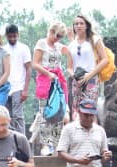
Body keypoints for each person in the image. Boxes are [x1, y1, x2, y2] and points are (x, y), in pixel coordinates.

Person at [31, 22, 72, 155]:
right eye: (57, 35)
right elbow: (35, 64)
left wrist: (72, 38)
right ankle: (45, 145)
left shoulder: (59, 46)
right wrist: (48, 73)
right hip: (45, 80)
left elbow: (72, 51)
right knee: (46, 113)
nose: (58, 38)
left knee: (59, 113)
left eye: (60, 36)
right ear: (51, 31)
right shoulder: (41, 43)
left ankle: (55, 145)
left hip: (57, 82)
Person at [67, 14, 109, 122]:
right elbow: (69, 67)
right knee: (76, 109)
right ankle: (78, 135)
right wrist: (74, 77)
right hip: (77, 80)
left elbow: (105, 59)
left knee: (90, 109)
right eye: (76, 24)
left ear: (86, 26)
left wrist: (89, 75)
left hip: (91, 78)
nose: (78, 26)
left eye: (81, 23)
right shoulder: (71, 45)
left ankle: (93, 136)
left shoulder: (94, 40)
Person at [4, 24, 32, 135]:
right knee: (7, 117)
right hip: (5, 88)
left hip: (18, 87)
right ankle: (10, 143)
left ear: (18, 35)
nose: (12, 39)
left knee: (18, 116)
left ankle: (21, 143)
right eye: (10, 36)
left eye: (14, 36)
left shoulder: (24, 48)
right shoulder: (3, 50)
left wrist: (25, 90)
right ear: (6, 36)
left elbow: (28, 69)